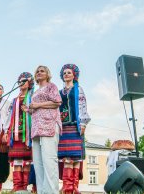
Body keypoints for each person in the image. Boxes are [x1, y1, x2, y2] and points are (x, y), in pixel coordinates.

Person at [58, 64, 91, 194]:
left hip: (75, 125)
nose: (66, 74)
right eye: (64, 73)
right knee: (66, 157)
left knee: (76, 157)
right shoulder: (60, 92)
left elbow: (83, 105)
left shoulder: (78, 90)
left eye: (69, 73)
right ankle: (67, 187)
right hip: (63, 127)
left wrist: (83, 123)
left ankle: (75, 187)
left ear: (74, 75)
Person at [29, 65, 62, 194]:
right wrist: (30, 109)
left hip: (49, 124)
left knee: (49, 160)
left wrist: (37, 105)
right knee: (38, 162)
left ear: (47, 74)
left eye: (42, 71)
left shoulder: (51, 86)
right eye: (37, 71)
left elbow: (57, 102)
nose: (39, 72)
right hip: (36, 127)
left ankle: (52, 191)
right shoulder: (35, 92)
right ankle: (42, 191)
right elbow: (35, 109)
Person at [3, 72, 34, 192]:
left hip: (28, 133)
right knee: (16, 160)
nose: (21, 83)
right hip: (15, 134)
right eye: (20, 81)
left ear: (29, 83)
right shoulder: (14, 100)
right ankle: (16, 186)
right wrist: (6, 131)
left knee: (26, 161)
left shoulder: (32, 98)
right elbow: (9, 116)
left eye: (24, 81)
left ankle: (24, 187)